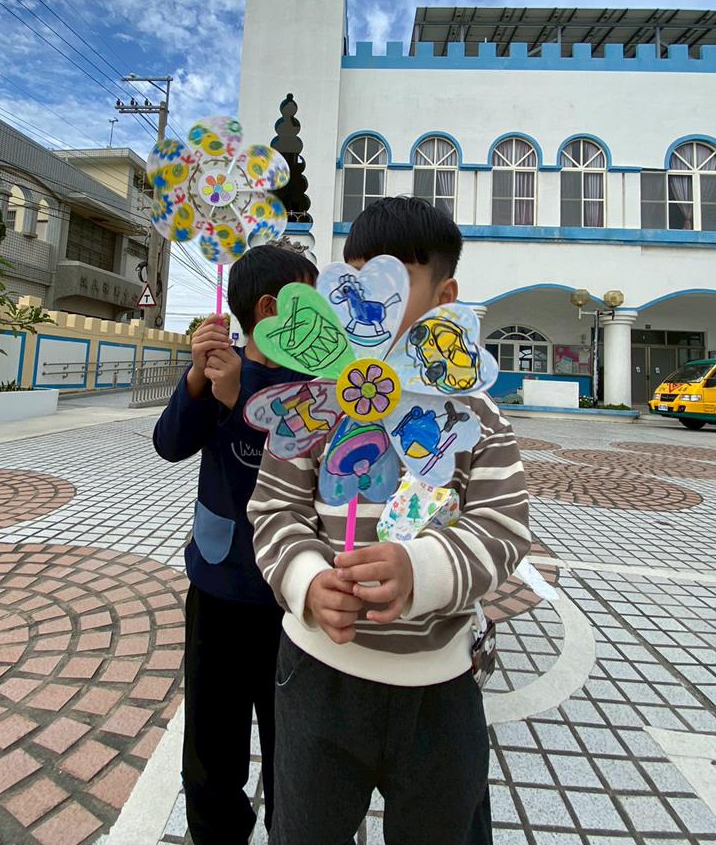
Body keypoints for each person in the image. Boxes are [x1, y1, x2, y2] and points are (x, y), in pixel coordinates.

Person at [248, 198, 531, 845]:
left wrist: (418, 570)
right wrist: (307, 582)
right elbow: (274, 509)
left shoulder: (475, 416)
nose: (364, 300)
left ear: (444, 297)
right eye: (354, 281)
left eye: (391, 281)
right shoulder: (316, 401)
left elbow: (504, 527)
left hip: (438, 685)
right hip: (317, 674)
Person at [153, 243, 318, 845]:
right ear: (272, 308)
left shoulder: (317, 383)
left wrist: (238, 403)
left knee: (292, 745)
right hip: (219, 583)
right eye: (310, 300)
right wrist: (197, 380)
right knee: (210, 745)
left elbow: (307, 468)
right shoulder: (220, 366)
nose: (322, 314)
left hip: (293, 592)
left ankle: (290, 832)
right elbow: (170, 444)